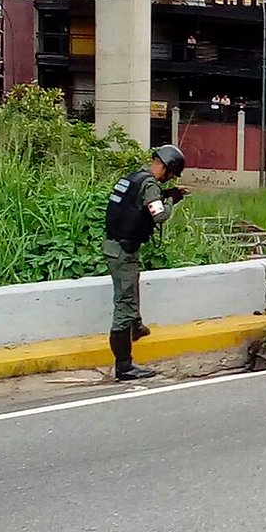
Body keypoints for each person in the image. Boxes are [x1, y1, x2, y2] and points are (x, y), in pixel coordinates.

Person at [104, 145, 188, 381]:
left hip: (114, 247)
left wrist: (167, 193)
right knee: (124, 304)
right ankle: (124, 366)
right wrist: (173, 200)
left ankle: (136, 327)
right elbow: (160, 215)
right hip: (123, 252)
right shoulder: (149, 184)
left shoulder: (132, 177)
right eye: (170, 174)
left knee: (130, 291)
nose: (168, 179)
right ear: (166, 167)